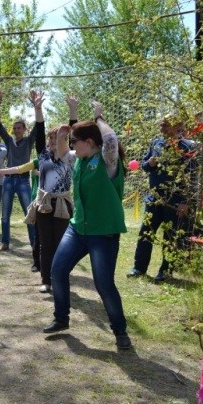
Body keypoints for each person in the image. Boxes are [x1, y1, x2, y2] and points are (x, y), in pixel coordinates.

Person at [42, 101, 132, 350]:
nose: (72, 146)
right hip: (78, 228)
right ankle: (61, 319)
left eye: (75, 141)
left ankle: (120, 331)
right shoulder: (79, 160)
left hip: (103, 232)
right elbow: (63, 153)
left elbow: (110, 139)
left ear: (89, 142)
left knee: (103, 284)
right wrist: (63, 135)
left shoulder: (108, 160)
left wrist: (99, 117)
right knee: (58, 270)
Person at [0, 94, 79, 292]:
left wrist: (73, 111)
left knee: (61, 244)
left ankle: (59, 278)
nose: (54, 141)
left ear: (65, 141)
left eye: (58, 138)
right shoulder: (43, 156)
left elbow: (76, 136)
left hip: (63, 205)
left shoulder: (70, 156)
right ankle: (46, 280)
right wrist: (38, 109)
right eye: (51, 138)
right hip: (43, 205)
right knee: (45, 244)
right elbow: (39, 131)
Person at [127, 113, 200, 282]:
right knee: (146, 233)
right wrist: (150, 164)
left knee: (170, 236)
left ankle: (165, 271)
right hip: (154, 198)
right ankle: (139, 268)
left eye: (165, 125)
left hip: (175, 201)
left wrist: (186, 202)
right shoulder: (156, 143)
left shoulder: (187, 147)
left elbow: (193, 177)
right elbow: (144, 165)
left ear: (176, 126)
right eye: (161, 124)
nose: (161, 128)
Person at [0, 88, 40, 251]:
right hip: (8, 181)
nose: (16, 130)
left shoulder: (29, 141)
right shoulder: (9, 140)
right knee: (5, 214)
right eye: (14, 128)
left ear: (24, 129)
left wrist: (36, 106)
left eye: (19, 128)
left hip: (23, 181)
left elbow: (38, 126)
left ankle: (34, 243)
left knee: (29, 213)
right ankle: (5, 242)